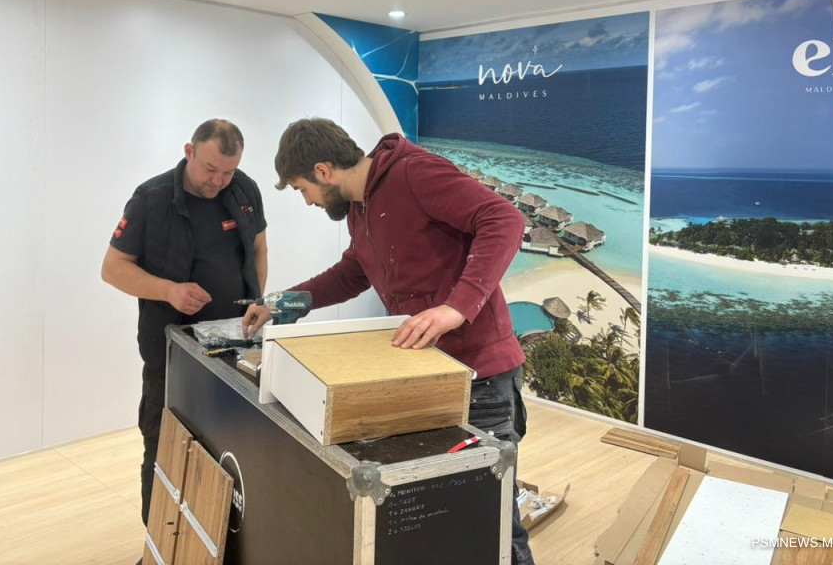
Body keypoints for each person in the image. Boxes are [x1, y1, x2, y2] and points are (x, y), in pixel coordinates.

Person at [243, 118, 534, 565]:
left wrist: (457, 307)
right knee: (448, 518)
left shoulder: (415, 172)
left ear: (323, 171)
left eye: (303, 190)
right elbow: (353, 272)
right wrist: (287, 300)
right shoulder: (359, 209)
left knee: (493, 522)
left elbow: (505, 219)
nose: (308, 202)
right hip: (429, 373)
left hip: (481, 377)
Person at [102, 118, 267, 528]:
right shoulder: (150, 199)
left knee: (232, 454)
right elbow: (113, 268)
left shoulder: (244, 189)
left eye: (227, 172)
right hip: (172, 356)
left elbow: (259, 249)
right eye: (210, 169)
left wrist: (259, 302)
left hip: (236, 351)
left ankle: (214, 548)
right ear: (188, 151)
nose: (218, 181)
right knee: (164, 450)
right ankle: (159, 547)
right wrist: (169, 291)